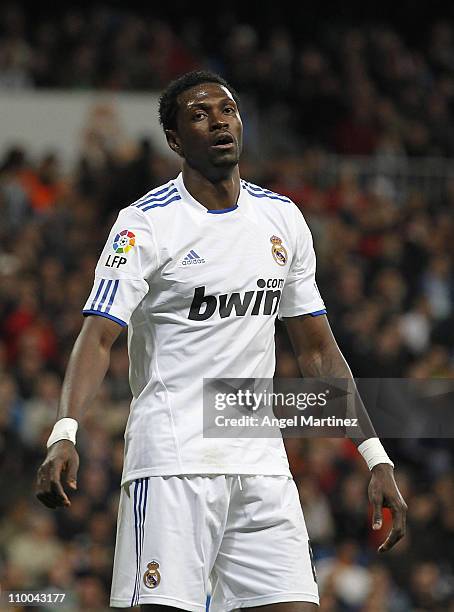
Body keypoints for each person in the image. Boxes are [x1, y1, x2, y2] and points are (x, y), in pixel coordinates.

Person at [36, 71, 407, 612]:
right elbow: (97, 339)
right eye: (200, 115)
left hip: (263, 466)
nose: (219, 122)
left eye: (227, 110)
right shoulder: (144, 224)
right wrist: (65, 431)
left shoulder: (283, 219)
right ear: (175, 139)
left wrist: (375, 456)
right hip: (172, 462)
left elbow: (318, 350)